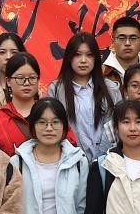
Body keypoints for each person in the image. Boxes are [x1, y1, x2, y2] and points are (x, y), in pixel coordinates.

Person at [48, 32, 120, 163]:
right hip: (70, 162)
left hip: (107, 162)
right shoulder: (56, 90)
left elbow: (116, 126)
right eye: (77, 55)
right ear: (69, 57)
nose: (83, 60)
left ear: (96, 58)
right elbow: (53, 128)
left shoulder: (111, 89)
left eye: (89, 55)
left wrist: (100, 160)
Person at [0, 53, 43, 156]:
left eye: (32, 78)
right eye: (20, 78)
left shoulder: (50, 112)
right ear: (8, 81)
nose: (27, 83)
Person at [101, 16, 140, 81]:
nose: (127, 43)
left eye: (133, 38)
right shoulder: (101, 73)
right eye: (122, 38)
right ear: (113, 41)